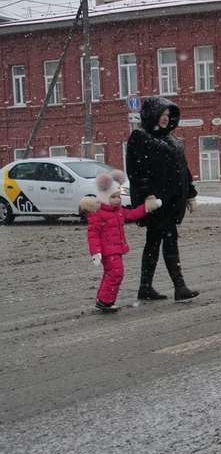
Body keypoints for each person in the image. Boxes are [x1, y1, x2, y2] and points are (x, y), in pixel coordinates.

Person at [126, 96, 201, 302]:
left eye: (168, 115)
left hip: (171, 202)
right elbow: (136, 169)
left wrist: (190, 194)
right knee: (168, 240)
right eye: (162, 114)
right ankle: (179, 287)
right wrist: (147, 193)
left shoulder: (171, 138)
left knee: (154, 241)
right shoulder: (140, 137)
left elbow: (182, 169)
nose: (166, 118)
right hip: (157, 202)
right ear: (152, 114)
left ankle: (146, 287)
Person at [80, 170, 162, 312]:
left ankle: (104, 300)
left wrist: (148, 206)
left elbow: (133, 214)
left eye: (118, 196)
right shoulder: (98, 214)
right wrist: (96, 252)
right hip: (107, 251)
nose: (117, 200)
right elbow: (92, 234)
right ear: (105, 197)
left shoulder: (118, 211)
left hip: (115, 249)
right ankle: (105, 301)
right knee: (116, 272)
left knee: (112, 273)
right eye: (113, 197)